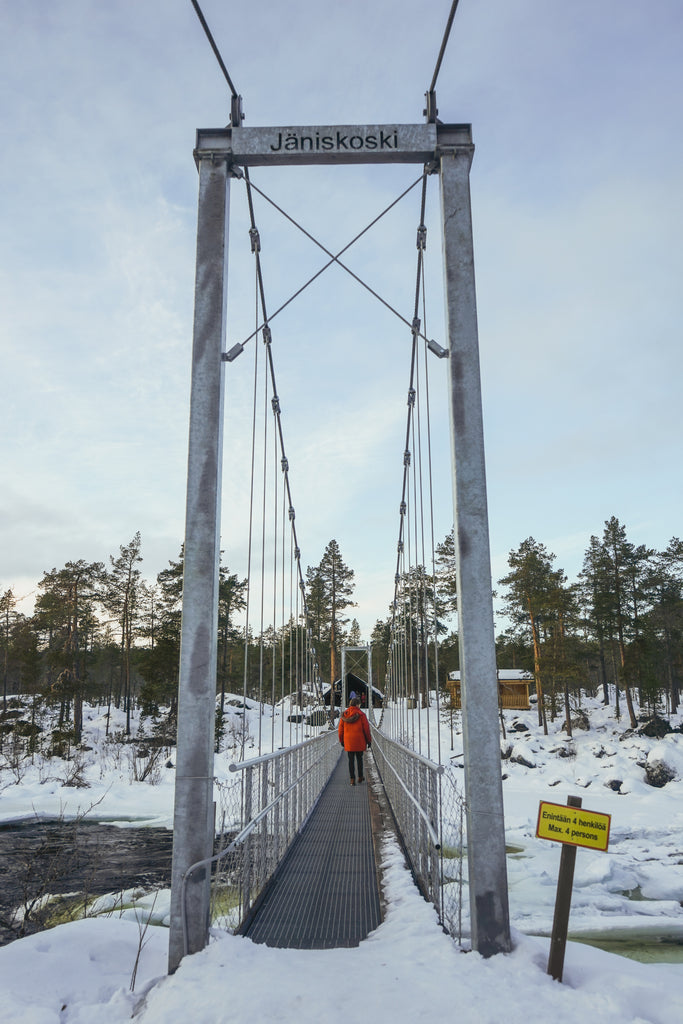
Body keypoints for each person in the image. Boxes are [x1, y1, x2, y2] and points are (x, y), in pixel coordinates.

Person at [338, 696, 371, 786]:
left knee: (351, 760)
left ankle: (352, 779)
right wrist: (369, 740)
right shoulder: (361, 715)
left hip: (348, 741)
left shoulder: (344, 715)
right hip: (359, 741)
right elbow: (366, 729)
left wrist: (341, 740)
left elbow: (340, 730)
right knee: (359, 759)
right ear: (357, 704)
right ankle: (360, 777)